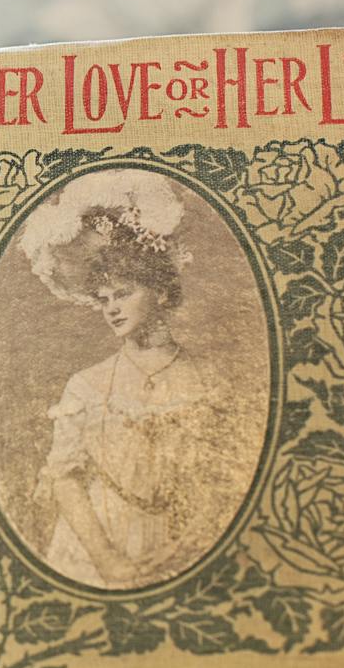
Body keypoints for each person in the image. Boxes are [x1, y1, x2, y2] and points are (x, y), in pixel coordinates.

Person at [21, 183, 244, 589]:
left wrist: (188, 549)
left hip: (172, 544)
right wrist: (107, 561)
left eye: (123, 294)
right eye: (104, 299)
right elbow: (65, 480)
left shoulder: (205, 379)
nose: (112, 308)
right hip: (92, 548)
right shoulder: (86, 385)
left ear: (159, 292)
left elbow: (218, 479)